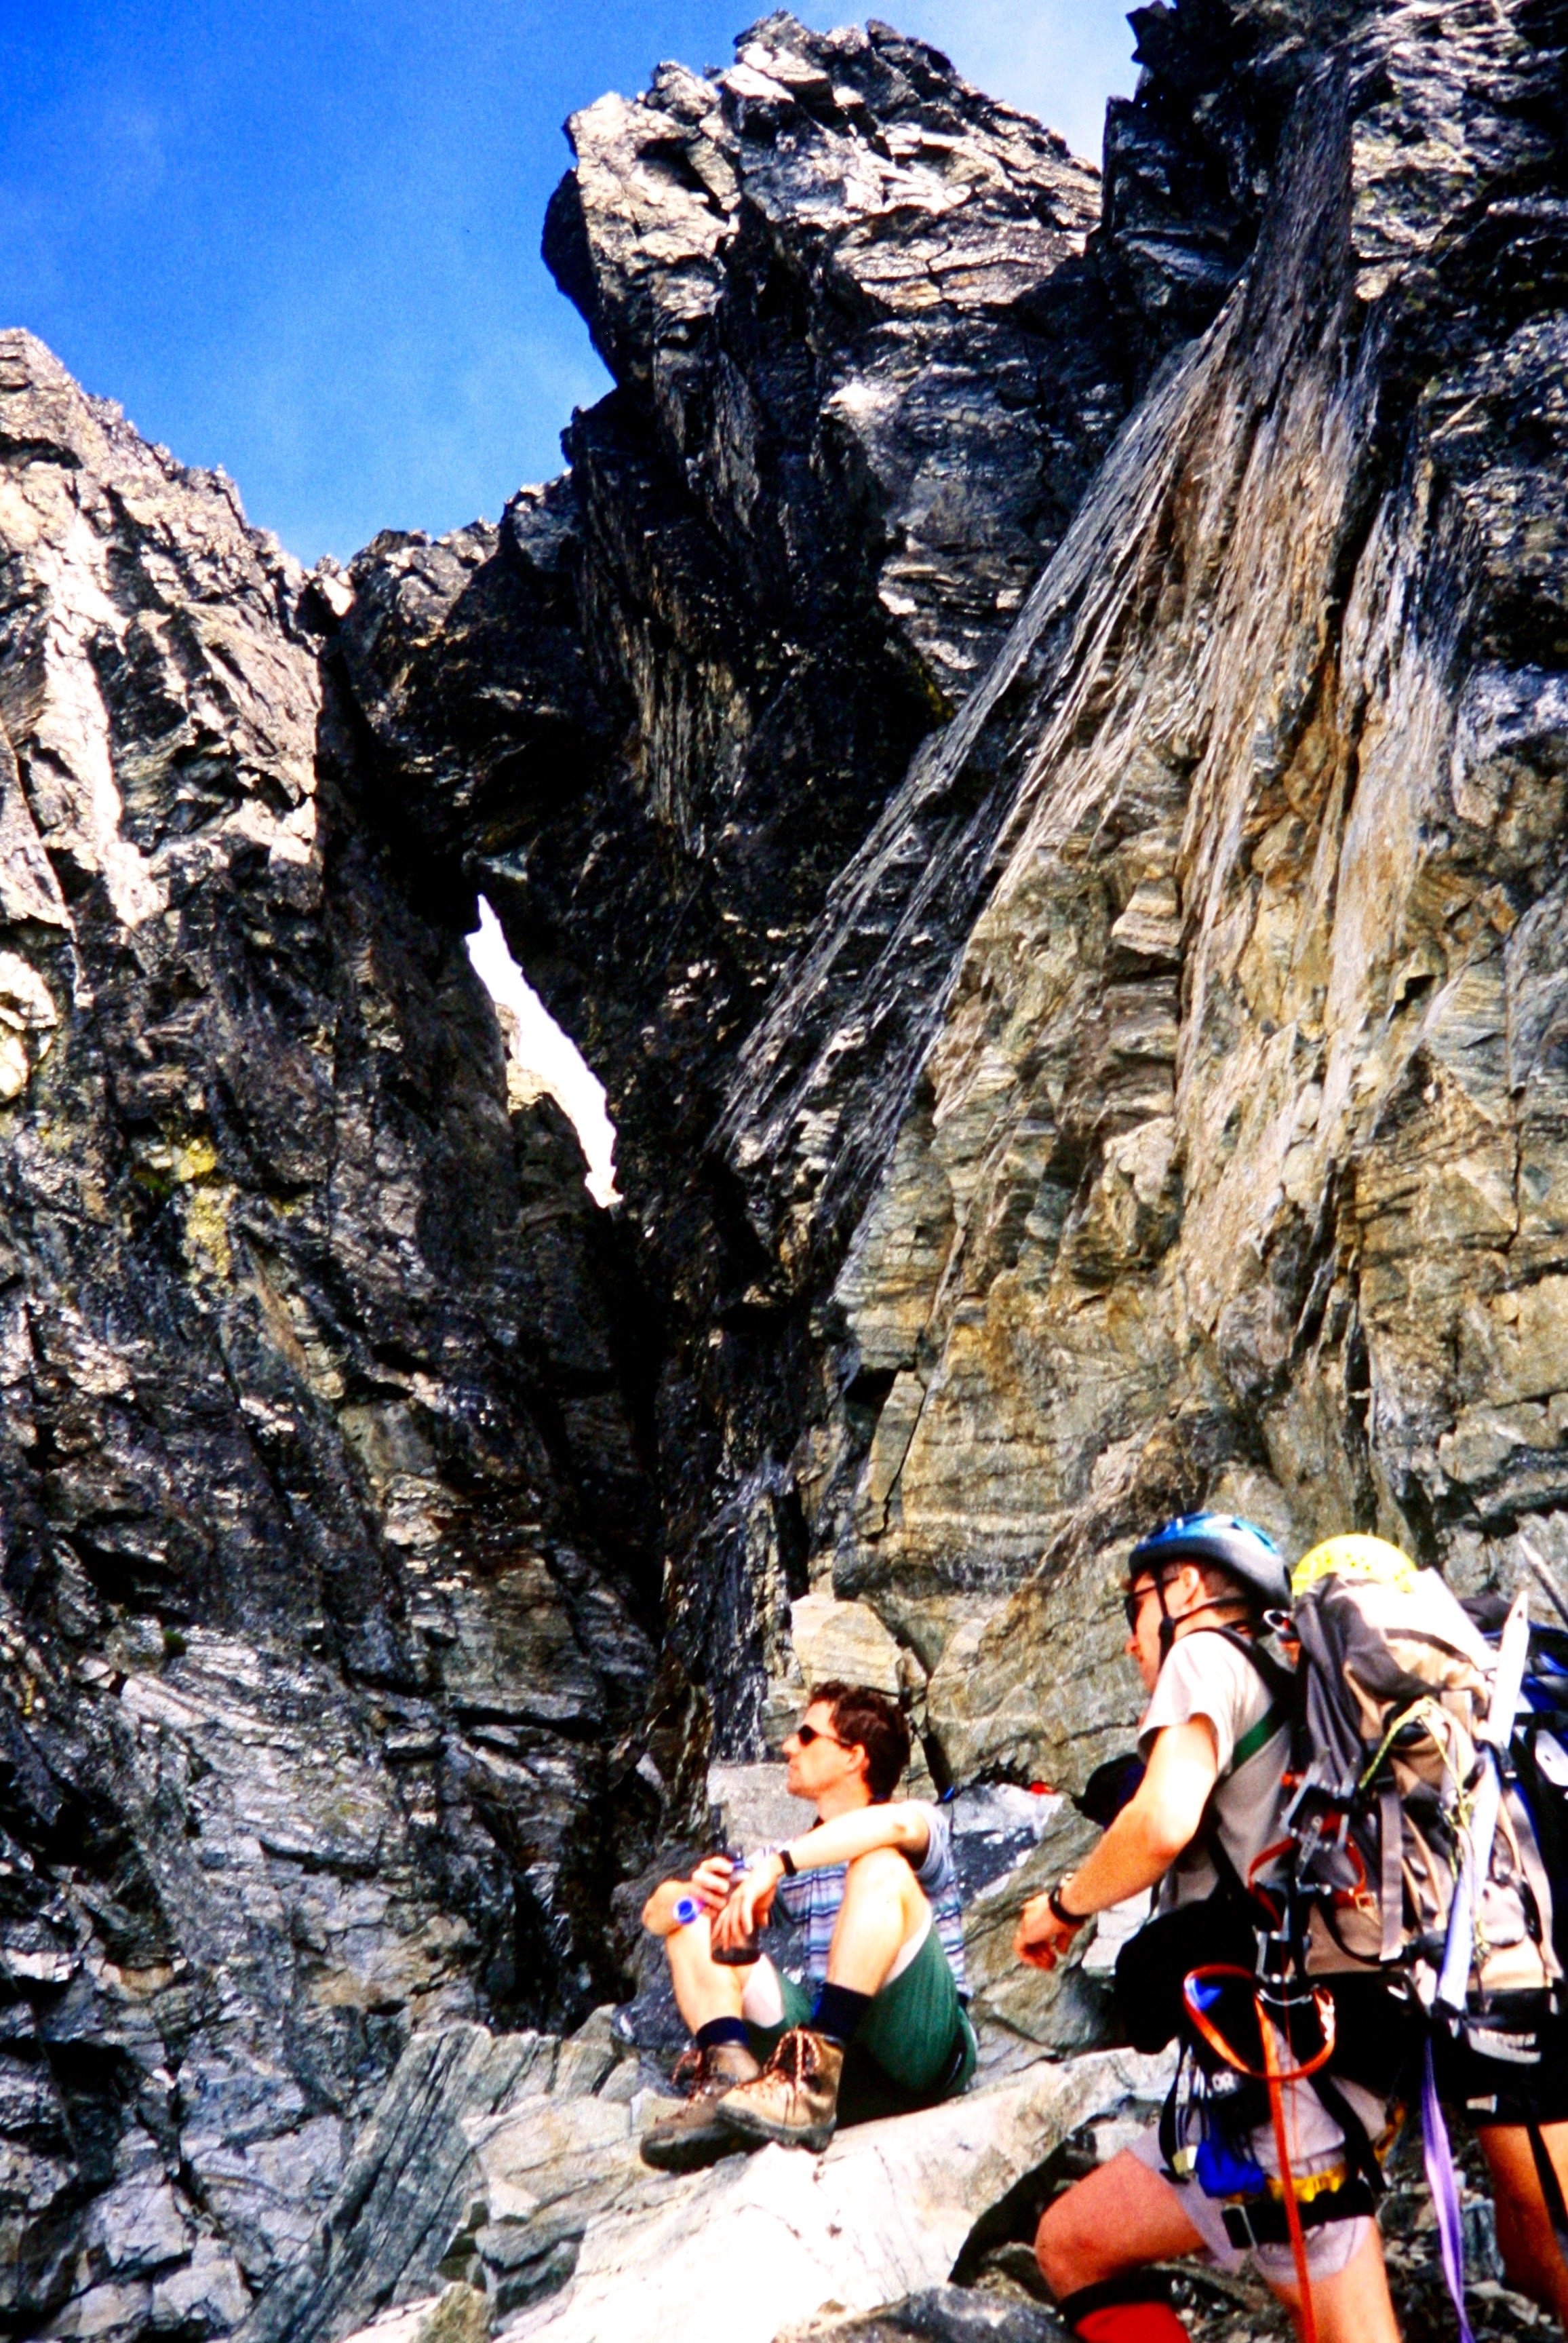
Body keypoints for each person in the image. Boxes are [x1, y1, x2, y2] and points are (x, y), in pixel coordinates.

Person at [1013, 1514, 1403, 2343]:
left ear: (1184, 1588)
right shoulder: (1283, 1680)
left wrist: (1059, 1908)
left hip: (1293, 2064)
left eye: (1133, 1608)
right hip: (1292, 2060)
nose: (1129, 1645)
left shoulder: (1203, 1654)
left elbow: (1159, 1823)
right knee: (1072, 2242)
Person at [639, 1680, 975, 2171]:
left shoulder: (917, 1820)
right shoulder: (792, 1859)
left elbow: (895, 1831)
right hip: (833, 2080)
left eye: (806, 1734)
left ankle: (814, 2067)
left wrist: (778, 1867)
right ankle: (729, 2078)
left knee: (878, 1864)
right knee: (696, 1927)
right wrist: (691, 1899)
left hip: (919, 2056)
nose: (788, 1746)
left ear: (853, 1757)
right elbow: (656, 1914)